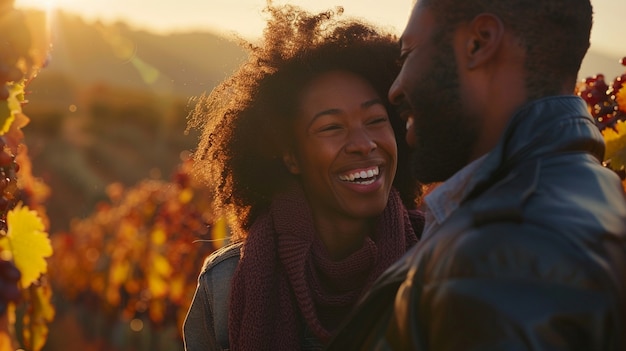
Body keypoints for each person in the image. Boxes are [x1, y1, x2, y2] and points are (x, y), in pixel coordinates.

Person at [325, 0, 626, 350]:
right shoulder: (589, 191)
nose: (395, 89)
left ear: (478, 43)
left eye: (407, 56)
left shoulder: (496, 261)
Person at [182, 4, 424, 350]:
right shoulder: (226, 286)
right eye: (331, 127)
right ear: (291, 156)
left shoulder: (442, 260)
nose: (363, 144)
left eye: (375, 120)